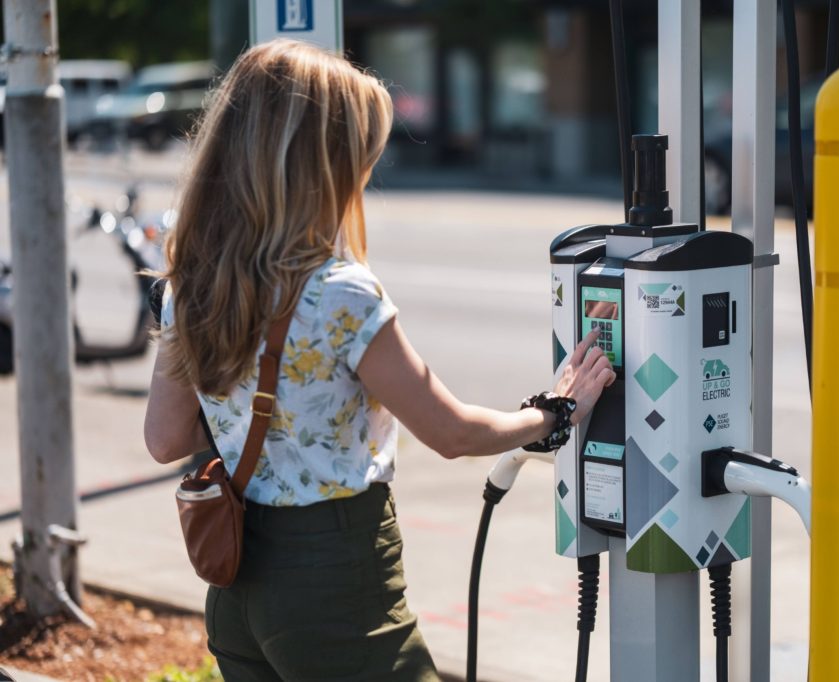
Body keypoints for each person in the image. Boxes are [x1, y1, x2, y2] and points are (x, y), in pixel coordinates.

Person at [143, 39, 614, 681]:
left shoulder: (189, 284)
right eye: (360, 155)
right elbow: (451, 434)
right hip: (333, 580)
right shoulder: (340, 294)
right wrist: (555, 411)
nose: (366, 172)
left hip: (235, 582)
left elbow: (166, 438)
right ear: (319, 164)